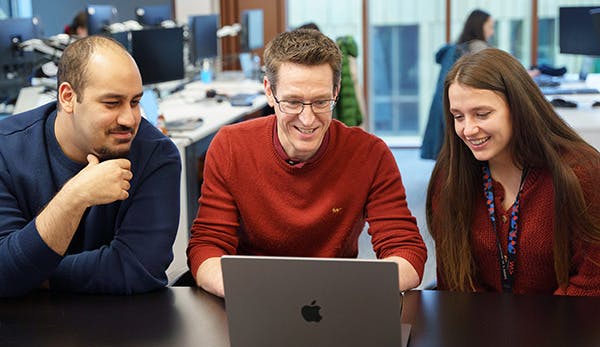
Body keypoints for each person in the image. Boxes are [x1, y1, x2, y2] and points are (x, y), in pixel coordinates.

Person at [187, 28, 427, 298]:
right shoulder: (231, 147)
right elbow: (206, 248)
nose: (308, 119)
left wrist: (349, 291)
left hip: (337, 301)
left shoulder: (370, 154)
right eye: (292, 102)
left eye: (321, 101)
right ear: (269, 91)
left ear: (336, 91)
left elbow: (407, 251)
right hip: (252, 298)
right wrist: (250, 291)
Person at [0, 35, 181, 297]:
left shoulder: (157, 155)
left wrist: (31, 272)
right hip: (23, 330)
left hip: (125, 330)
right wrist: (75, 197)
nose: (129, 119)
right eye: (112, 103)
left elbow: (139, 269)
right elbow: (4, 273)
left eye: (135, 101)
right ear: (68, 97)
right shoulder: (6, 149)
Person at [426, 48, 600, 296]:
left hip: (566, 324)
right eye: (458, 116)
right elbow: (455, 278)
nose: (468, 129)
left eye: (482, 114)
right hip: (481, 326)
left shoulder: (581, 172)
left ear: (518, 108)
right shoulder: (450, 176)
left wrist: (537, 331)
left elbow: (592, 282)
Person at [421, 9, 494, 160]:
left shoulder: (456, 48)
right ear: (480, 26)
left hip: (444, 107)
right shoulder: (477, 47)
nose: (492, 32)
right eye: (490, 27)